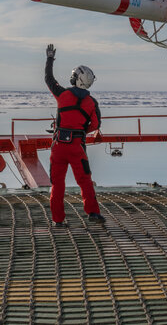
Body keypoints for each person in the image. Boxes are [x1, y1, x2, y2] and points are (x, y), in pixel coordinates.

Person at [45, 44, 104, 226]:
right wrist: (80, 131)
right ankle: (93, 213)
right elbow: (96, 124)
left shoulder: (62, 94)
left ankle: (58, 220)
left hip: (58, 147)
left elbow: (49, 79)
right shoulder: (91, 103)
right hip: (77, 147)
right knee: (85, 181)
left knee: (57, 184)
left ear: (75, 79)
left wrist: (49, 59)